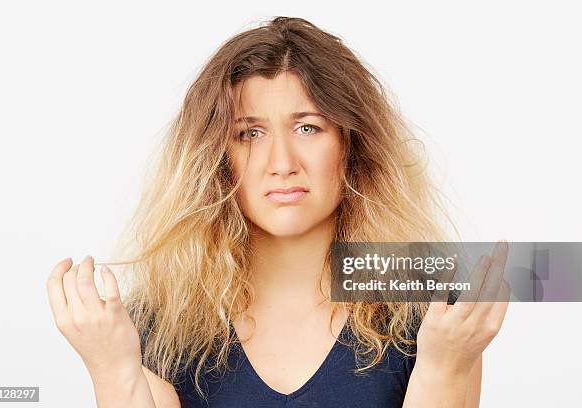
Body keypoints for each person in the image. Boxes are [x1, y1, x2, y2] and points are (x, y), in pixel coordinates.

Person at [46, 16, 510, 407]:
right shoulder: (153, 326)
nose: (282, 164)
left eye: (307, 128)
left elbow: (553, 276)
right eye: (249, 133)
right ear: (214, 157)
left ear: (353, 145)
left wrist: (446, 370)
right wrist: (111, 370)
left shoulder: (431, 307)